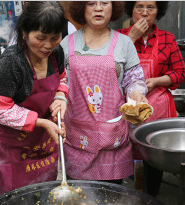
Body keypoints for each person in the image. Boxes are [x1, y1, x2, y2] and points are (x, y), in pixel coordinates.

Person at [60, 1, 148, 184]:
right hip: (77, 138)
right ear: (81, 8)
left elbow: (134, 79)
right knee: (78, 201)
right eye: (91, 3)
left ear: (113, 8)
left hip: (112, 139)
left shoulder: (124, 43)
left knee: (111, 202)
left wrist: (137, 93)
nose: (98, 8)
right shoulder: (66, 44)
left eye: (105, 3)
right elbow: (58, 83)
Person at [0, 1, 68, 197]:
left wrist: (60, 98)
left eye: (55, 37)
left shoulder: (56, 53)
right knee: (14, 199)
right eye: (41, 38)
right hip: (13, 146)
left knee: (44, 195)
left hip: (42, 141)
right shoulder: (12, 61)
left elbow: (62, 79)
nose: (48, 45)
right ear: (24, 32)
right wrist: (41, 122)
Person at [118, 1, 185, 196]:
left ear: (158, 12)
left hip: (158, 108)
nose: (145, 13)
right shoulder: (119, 37)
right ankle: (122, 196)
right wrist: (132, 38)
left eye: (151, 8)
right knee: (122, 153)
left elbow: (179, 73)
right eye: (139, 7)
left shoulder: (167, 38)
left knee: (153, 155)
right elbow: (110, 67)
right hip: (125, 106)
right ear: (131, 10)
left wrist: (156, 81)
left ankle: (150, 198)